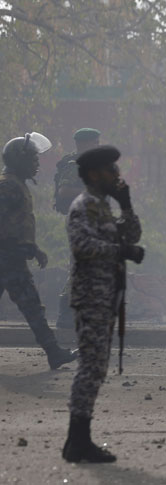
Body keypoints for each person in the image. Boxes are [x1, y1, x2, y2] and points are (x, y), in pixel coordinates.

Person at [62, 146, 144, 463]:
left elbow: (132, 234)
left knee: (95, 369)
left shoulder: (105, 208)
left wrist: (127, 205)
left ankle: (78, 440)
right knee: (90, 368)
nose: (117, 175)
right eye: (111, 169)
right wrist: (120, 252)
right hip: (91, 297)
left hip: (105, 297)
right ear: (94, 174)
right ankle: (77, 442)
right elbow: (82, 245)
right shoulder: (83, 206)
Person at [0, 132, 76, 369]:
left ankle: (53, 353)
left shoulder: (15, 185)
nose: (36, 164)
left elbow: (16, 224)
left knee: (33, 307)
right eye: (32, 159)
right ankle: (53, 352)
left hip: (12, 257)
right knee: (32, 307)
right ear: (19, 160)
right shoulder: (8, 186)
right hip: (7, 258)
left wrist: (32, 248)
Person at [53, 128, 102, 329]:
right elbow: (64, 191)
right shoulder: (75, 166)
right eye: (95, 143)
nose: (98, 146)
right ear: (83, 144)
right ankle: (65, 314)